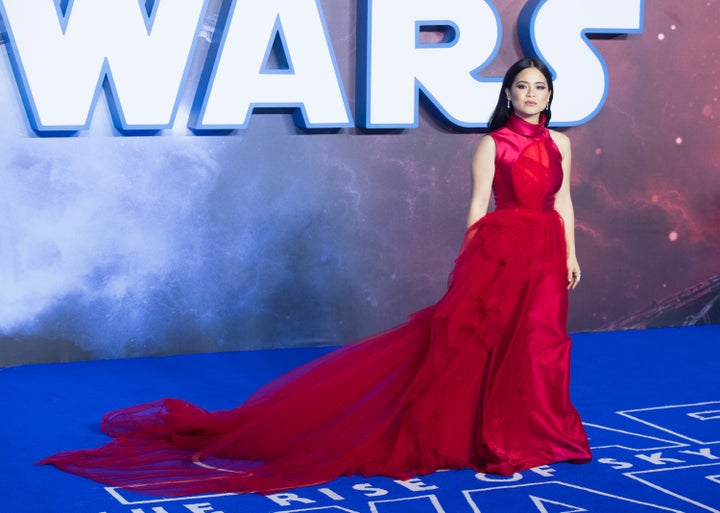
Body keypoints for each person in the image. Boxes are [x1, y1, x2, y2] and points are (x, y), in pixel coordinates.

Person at [38, 57, 592, 496]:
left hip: (545, 250)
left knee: (539, 346)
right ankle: (496, 436)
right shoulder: (492, 144)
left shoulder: (562, 143)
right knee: (485, 347)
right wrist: (470, 267)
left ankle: (541, 431)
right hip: (499, 253)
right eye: (522, 87)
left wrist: (569, 252)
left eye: (539, 88)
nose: (530, 95)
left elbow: (563, 201)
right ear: (508, 94)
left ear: (549, 95)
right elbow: (477, 210)